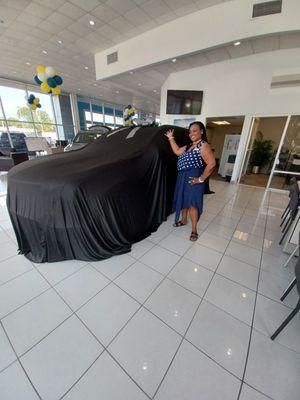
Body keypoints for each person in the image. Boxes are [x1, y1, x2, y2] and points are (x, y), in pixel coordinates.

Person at [165, 121, 216, 241]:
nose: (191, 133)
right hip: (182, 178)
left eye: (195, 131)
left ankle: (194, 230)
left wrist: (200, 179)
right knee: (183, 200)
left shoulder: (203, 146)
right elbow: (177, 151)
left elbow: (212, 164)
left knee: (192, 204)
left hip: (193, 178)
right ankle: (183, 220)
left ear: (201, 132)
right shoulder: (189, 146)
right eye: (190, 132)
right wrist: (171, 138)